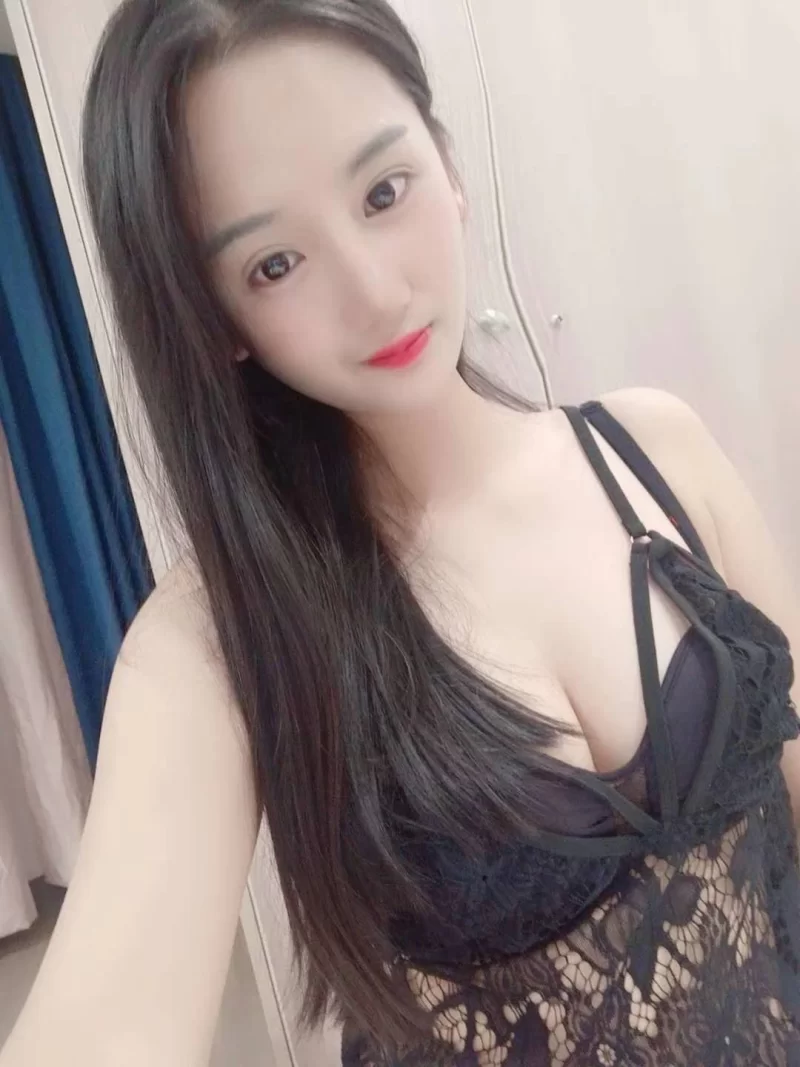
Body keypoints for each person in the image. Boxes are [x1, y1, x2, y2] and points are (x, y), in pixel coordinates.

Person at [3, 1, 799, 1064]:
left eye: (384, 191)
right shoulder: (220, 639)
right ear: (216, 319)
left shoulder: (657, 451)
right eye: (274, 264)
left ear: (448, 164)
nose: (375, 295)